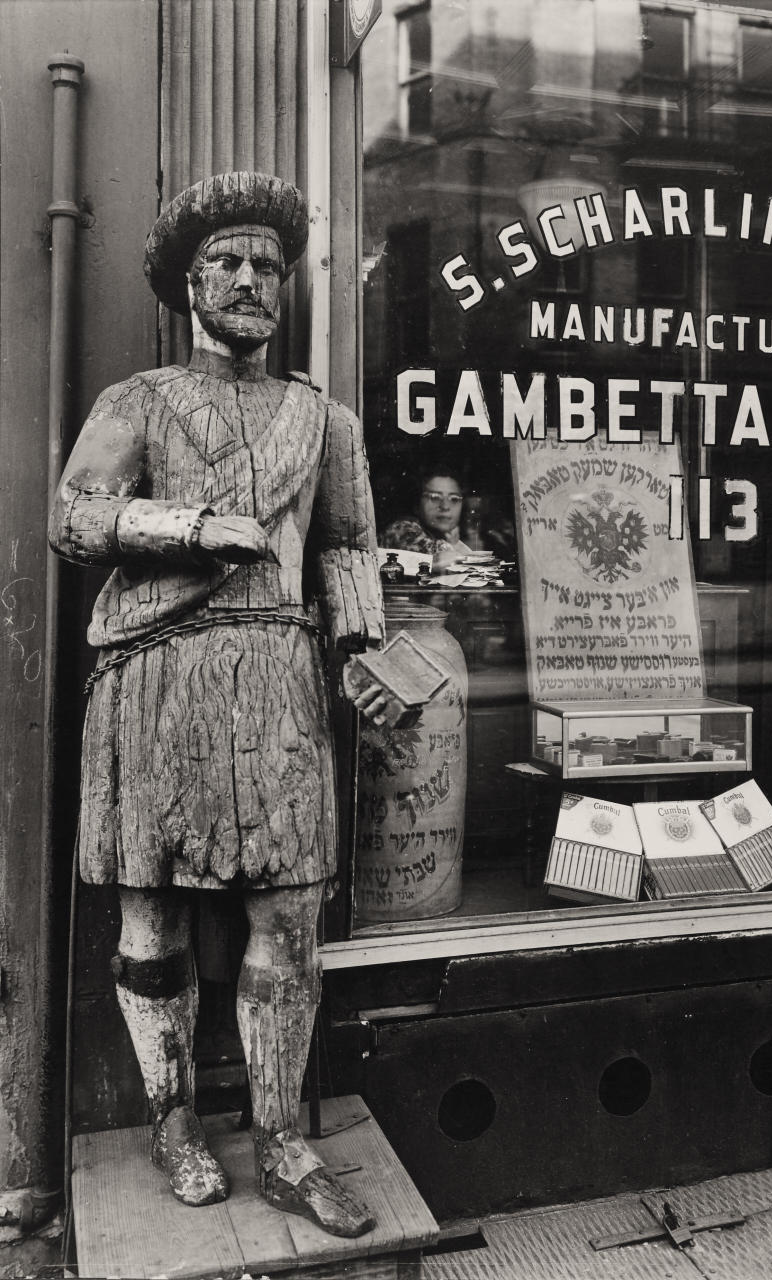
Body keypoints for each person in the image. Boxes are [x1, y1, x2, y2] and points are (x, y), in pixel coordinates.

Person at [49, 172, 389, 1237]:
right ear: (187, 283)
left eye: (267, 268)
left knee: (287, 922)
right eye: (228, 264)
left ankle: (285, 1140)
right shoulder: (138, 400)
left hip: (279, 683)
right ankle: (171, 1118)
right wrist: (195, 527)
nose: (250, 281)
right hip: (155, 678)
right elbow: (74, 517)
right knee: (151, 920)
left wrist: (361, 650)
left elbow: (346, 545)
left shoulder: (320, 419)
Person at [380, 467, 472, 567]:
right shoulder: (402, 529)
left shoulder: (445, 536)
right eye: (434, 497)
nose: (445, 506)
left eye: (454, 499)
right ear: (416, 504)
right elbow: (439, 558)